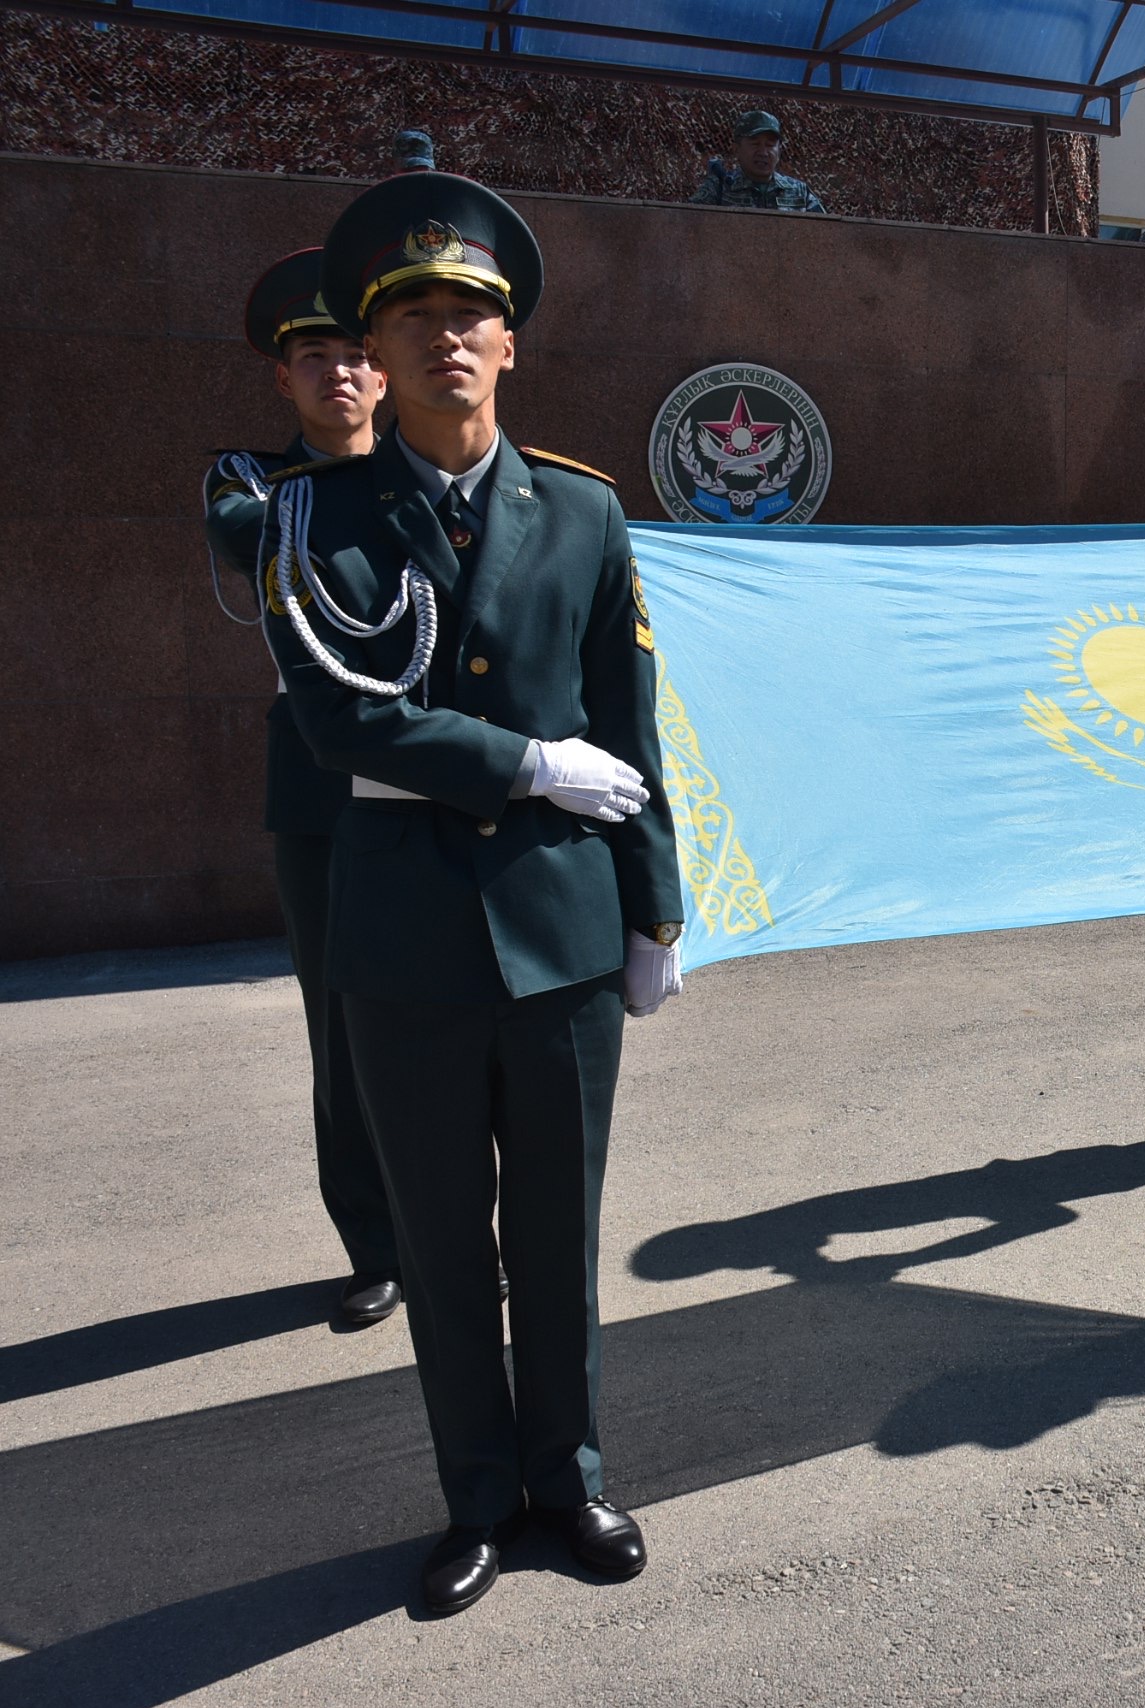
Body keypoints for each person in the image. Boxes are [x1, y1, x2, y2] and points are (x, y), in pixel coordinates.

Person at [263, 170, 687, 1616]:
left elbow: (630, 727)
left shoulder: (583, 509)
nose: (449, 337)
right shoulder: (310, 516)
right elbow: (341, 722)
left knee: (558, 1239)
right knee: (446, 1247)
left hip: (566, 937)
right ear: (369, 356)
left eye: (476, 315)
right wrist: (523, 762)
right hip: (404, 942)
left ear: (513, 344)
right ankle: (476, 1497)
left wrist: (657, 906)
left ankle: (566, 1477)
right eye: (418, 316)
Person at [201, 248, 401, 1327]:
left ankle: (462, 1236)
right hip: (323, 799)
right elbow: (256, 544)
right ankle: (375, 1248)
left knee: (457, 1025)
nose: (337, 374)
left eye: (355, 358)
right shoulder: (249, 484)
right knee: (344, 1034)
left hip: (434, 787)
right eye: (312, 357)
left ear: (383, 375)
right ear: (283, 380)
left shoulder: (432, 474)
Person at [690, 111, 825, 212]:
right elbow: (688, 225)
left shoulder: (799, 191)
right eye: (755, 144)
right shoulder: (719, 187)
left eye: (770, 145)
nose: (763, 152)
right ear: (736, 149)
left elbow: (828, 232)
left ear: (779, 150)